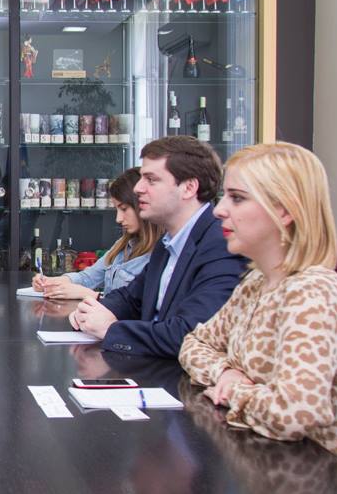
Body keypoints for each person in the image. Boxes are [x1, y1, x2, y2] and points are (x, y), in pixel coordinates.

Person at [179, 142, 337, 482]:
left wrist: (232, 391)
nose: (219, 210)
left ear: (285, 210)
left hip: (326, 488)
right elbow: (194, 344)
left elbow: (295, 413)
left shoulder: (315, 293)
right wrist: (226, 372)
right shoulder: (256, 282)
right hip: (268, 474)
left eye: (237, 198)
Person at [70, 135, 248, 357]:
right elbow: (132, 299)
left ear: (189, 188)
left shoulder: (221, 246)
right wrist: (92, 310)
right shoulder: (169, 242)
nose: (138, 188)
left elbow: (192, 335)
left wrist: (111, 330)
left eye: (151, 180)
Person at [33, 168, 162, 300]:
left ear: (142, 204)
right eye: (117, 210)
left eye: (124, 209)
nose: (118, 219)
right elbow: (89, 277)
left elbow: (134, 307)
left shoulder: (160, 255)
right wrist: (53, 282)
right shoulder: (122, 245)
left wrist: (90, 295)